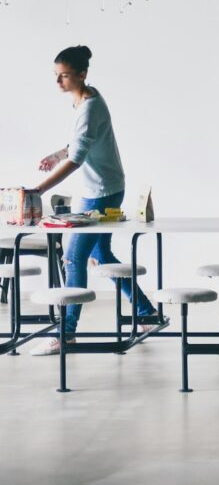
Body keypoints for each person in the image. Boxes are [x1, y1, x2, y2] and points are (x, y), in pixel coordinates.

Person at [26, 46, 158, 356]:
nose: (58, 81)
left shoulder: (89, 107)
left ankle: (66, 333)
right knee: (101, 252)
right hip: (101, 188)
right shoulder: (84, 100)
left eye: (65, 76)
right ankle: (146, 312)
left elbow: (77, 158)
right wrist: (58, 153)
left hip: (102, 192)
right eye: (56, 76)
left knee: (73, 258)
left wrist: (39, 190)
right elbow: (79, 143)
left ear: (82, 74)